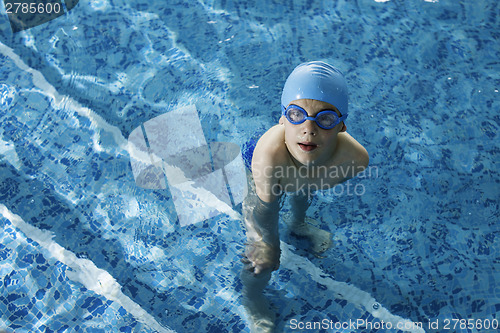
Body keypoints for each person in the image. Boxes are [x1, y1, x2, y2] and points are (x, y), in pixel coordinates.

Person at [240, 61, 369, 332]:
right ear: (283, 119)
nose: (309, 129)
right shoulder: (268, 155)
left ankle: (298, 224)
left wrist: (305, 178)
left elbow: (310, 184)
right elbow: (264, 209)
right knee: (263, 257)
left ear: (341, 126)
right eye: (297, 115)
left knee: (304, 185)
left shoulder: (355, 159)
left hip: (306, 163)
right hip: (263, 169)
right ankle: (252, 299)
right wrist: (266, 244)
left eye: (324, 119)